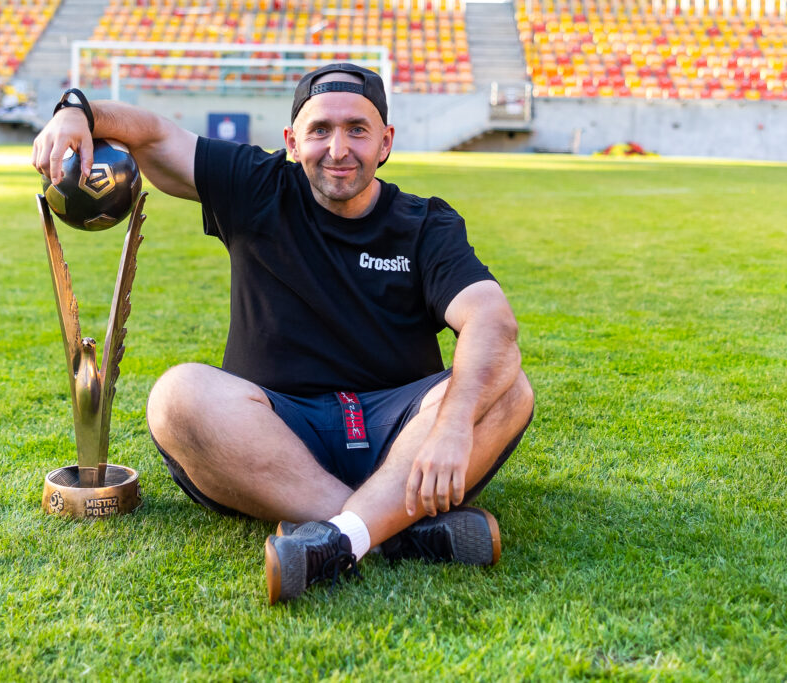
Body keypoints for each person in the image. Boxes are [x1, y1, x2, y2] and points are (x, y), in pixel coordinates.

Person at [32, 64, 535, 605]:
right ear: (293, 141)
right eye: (320, 130)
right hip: (277, 439)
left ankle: (340, 538)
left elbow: (491, 320)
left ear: (386, 142)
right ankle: (389, 529)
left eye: (357, 130)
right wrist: (77, 110)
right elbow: (153, 135)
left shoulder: (426, 223)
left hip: (403, 436)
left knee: (509, 387)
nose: (338, 149)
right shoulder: (256, 185)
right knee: (177, 396)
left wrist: (453, 425)